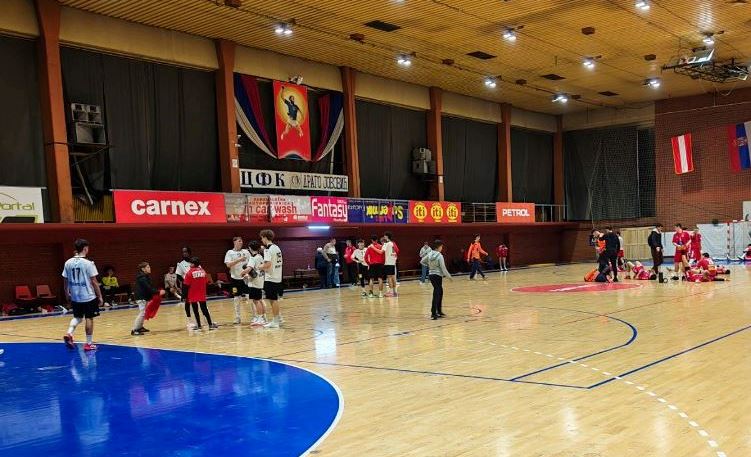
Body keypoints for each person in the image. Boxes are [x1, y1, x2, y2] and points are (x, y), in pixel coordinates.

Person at [62, 239, 102, 351]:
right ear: (85, 248)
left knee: (77, 317)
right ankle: (88, 344)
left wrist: (67, 293)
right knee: (89, 318)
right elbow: (94, 281)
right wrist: (100, 296)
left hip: (75, 296)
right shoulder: (89, 263)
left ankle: (69, 333)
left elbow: (65, 280)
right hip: (88, 296)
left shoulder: (68, 262)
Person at [421, 240, 452, 320]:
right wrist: (449, 276)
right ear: (438, 247)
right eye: (441, 247)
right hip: (437, 276)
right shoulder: (440, 256)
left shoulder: (429, 254)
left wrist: (430, 266)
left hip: (431, 275)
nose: (442, 248)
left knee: (440, 292)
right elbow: (443, 268)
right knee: (437, 293)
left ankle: (439, 311)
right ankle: (434, 313)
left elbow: (422, 261)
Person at [184, 257, 217, 330]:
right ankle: (210, 324)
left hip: (192, 294)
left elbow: (186, 285)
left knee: (195, 310)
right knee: (204, 309)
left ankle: (199, 325)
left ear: (193, 264)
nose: (189, 265)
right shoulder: (203, 271)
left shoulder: (189, 273)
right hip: (202, 293)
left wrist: (184, 295)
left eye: (190, 263)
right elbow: (206, 282)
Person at [131, 262, 164, 336]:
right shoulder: (142, 278)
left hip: (144, 297)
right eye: (148, 267)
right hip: (141, 297)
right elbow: (148, 288)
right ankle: (134, 330)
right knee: (142, 313)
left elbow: (150, 287)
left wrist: (156, 292)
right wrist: (158, 292)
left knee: (144, 312)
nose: (150, 268)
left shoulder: (145, 276)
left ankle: (140, 327)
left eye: (149, 267)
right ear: (143, 269)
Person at [260, 229, 284, 328]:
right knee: (274, 299)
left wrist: (259, 267)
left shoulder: (268, 249)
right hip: (277, 277)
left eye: (262, 238)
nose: (261, 240)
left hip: (270, 278)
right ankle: (278, 319)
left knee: (273, 300)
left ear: (265, 237)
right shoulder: (276, 247)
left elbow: (268, 264)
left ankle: (275, 321)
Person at [224, 236, 251, 325]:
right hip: (235, 279)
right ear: (234, 242)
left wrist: (247, 274)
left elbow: (251, 263)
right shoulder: (230, 252)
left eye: (241, 241)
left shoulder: (246, 252)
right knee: (236, 299)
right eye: (239, 241)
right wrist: (239, 259)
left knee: (250, 297)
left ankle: (255, 317)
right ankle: (237, 317)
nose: (241, 242)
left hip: (245, 278)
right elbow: (228, 265)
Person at [243, 240, 267, 327]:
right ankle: (263, 318)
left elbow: (249, 269)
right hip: (260, 280)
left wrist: (242, 273)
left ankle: (260, 318)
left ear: (250, 248)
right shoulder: (260, 257)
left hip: (255, 282)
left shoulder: (253, 258)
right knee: (259, 300)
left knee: (256, 301)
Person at [176, 247, 193, 329]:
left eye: (186, 252)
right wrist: (186, 282)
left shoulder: (194, 261)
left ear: (189, 252)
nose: (184, 253)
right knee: (187, 303)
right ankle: (189, 321)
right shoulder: (180, 264)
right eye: (183, 252)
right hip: (186, 286)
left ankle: (204, 320)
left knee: (200, 302)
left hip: (196, 286)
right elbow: (178, 275)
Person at [383, 231, 399, 297]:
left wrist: (372, 247)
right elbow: (397, 251)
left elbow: (381, 252)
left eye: (384, 236)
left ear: (387, 236)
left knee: (389, 277)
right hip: (393, 262)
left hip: (388, 262)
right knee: (393, 277)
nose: (384, 237)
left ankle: (391, 292)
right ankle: (395, 292)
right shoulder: (393, 243)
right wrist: (394, 256)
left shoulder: (386, 244)